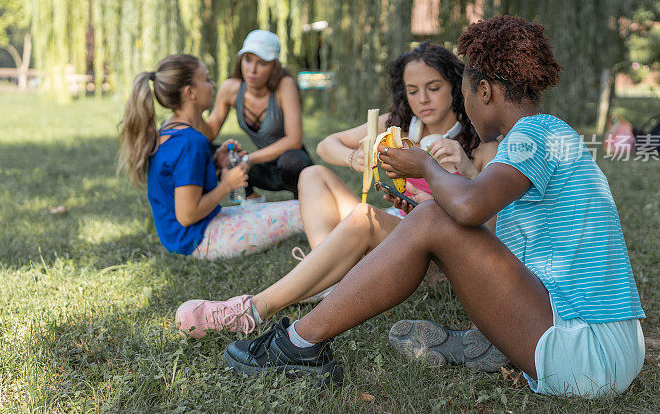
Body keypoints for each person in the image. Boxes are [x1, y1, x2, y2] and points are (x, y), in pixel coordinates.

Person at [222, 16, 646, 398]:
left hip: (589, 356)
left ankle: (297, 343)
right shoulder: (551, 133)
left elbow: (466, 210)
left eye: (464, 95)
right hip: (611, 346)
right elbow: (493, 241)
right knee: (432, 215)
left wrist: (423, 163)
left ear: (485, 91)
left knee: (432, 218)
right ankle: (481, 344)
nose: (467, 109)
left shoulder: (530, 136)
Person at [175, 42, 499, 340]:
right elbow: (326, 144)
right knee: (313, 174)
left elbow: (495, 231)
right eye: (413, 91)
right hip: (401, 229)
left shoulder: (476, 144)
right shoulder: (399, 124)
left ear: (455, 87)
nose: (423, 100)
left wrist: (465, 178)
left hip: (436, 254)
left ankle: (251, 309)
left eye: (433, 88)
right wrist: (352, 156)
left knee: (365, 217)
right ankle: (327, 277)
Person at [118, 53, 303, 260]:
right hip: (200, 240)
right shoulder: (191, 142)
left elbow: (181, 180)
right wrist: (226, 185)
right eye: (206, 79)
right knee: (301, 212)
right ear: (190, 93)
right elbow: (187, 215)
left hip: (184, 236)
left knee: (295, 208)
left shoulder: (169, 130)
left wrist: (215, 164)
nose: (213, 84)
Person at [205, 30, 312, 198]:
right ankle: (250, 200)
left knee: (293, 160)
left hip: (292, 165)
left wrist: (248, 159)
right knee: (207, 150)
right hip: (262, 167)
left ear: (274, 65)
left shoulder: (285, 85)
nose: (252, 70)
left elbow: (294, 140)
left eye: (262, 63)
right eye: (247, 60)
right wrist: (190, 112)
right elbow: (209, 133)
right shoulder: (230, 89)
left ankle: (304, 205)